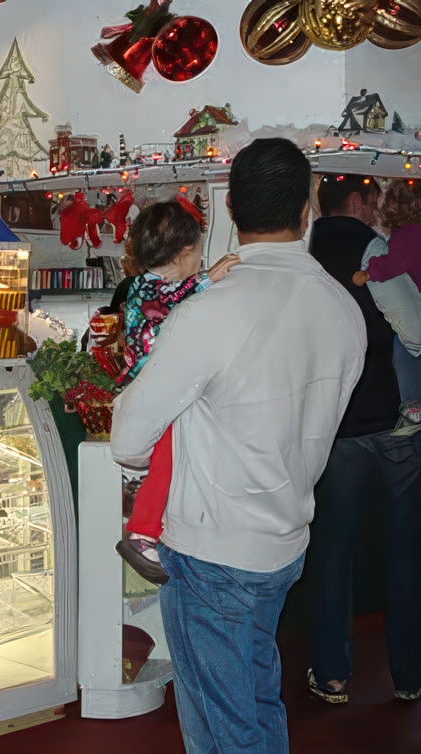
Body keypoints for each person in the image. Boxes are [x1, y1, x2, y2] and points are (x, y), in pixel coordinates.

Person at [111, 138, 365, 752]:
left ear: (231, 210)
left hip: (211, 551)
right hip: (284, 540)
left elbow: (127, 439)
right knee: (255, 704)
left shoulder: (210, 311)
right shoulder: (342, 308)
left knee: (225, 729)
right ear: (306, 208)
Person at [303, 173, 421, 704]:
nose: (378, 211)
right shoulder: (375, 249)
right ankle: (410, 674)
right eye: (374, 201)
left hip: (333, 428)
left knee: (332, 551)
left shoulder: (301, 256)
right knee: (407, 550)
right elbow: (414, 327)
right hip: (394, 422)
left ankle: (331, 673)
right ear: (356, 201)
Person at [112, 199, 240, 584]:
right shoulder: (157, 290)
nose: (201, 263)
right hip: (157, 390)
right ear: (185, 253)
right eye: (199, 255)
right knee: (165, 463)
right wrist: (209, 280)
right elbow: (169, 299)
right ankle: (142, 533)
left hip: (143, 385)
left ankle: (145, 516)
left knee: (163, 463)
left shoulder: (135, 285)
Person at [352, 177, 421, 404]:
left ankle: (411, 409)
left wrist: (369, 272)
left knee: (406, 346)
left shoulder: (409, 234)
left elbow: (393, 263)